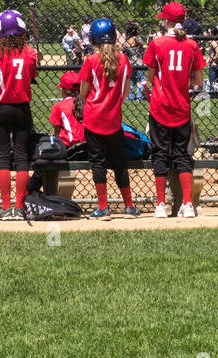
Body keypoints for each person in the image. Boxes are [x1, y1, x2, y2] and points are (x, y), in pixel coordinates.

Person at [142, 1, 205, 218]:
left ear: (166, 21)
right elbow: (198, 79)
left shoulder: (157, 43)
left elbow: (150, 78)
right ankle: (187, 204)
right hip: (181, 106)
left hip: (160, 106)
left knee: (159, 153)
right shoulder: (192, 45)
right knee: (182, 155)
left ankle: (160, 204)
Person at [79, 17, 139, 220]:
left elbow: (84, 91)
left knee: (98, 162)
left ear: (93, 39)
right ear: (114, 37)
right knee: (119, 162)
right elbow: (125, 91)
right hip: (114, 118)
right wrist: (113, 103)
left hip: (93, 117)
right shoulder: (124, 59)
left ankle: (103, 208)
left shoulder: (90, 61)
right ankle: (129, 206)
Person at [0, 8, 40, 220]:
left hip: (1, 108)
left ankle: (6, 207)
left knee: (4, 158)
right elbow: (31, 74)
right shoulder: (30, 52)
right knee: (22, 157)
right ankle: (19, 206)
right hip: (22, 109)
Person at [48, 70, 86, 149]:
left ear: (63, 90)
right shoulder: (87, 102)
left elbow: (57, 133)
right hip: (89, 146)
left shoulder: (59, 106)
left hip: (68, 148)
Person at [123, 20, 147, 101]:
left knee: (131, 80)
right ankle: (139, 97)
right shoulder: (136, 39)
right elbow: (141, 46)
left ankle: (130, 97)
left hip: (130, 62)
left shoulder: (126, 40)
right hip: (138, 62)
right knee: (141, 79)